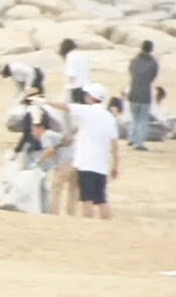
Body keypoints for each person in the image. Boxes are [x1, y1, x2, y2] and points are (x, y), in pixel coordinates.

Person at [38, 83, 119, 220]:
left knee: (87, 199)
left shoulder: (88, 111)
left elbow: (65, 106)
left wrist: (44, 101)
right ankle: (107, 225)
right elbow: (115, 145)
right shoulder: (109, 117)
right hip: (102, 165)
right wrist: (115, 166)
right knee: (102, 199)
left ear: (91, 97)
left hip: (87, 162)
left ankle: (88, 224)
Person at [31, 113, 75, 215]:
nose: (33, 132)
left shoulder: (46, 135)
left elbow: (51, 151)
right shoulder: (53, 134)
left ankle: (55, 214)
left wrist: (39, 161)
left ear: (41, 127)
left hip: (65, 163)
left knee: (56, 189)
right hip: (76, 161)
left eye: (34, 129)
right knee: (73, 191)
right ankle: (72, 215)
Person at [128, 40, 159, 151]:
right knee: (142, 119)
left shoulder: (134, 60)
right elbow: (153, 76)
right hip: (145, 93)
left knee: (134, 117)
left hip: (133, 91)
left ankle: (131, 138)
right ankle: (139, 142)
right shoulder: (153, 62)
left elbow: (131, 72)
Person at [59, 38, 91, 104]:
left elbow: (72, 75)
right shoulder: (82, 55)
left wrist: (67, 87)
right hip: (88, 86)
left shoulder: (70, 56)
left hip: (77, 89)